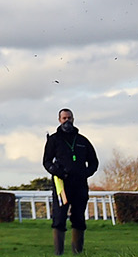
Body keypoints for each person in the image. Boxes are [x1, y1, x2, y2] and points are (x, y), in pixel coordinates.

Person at [43, 108, 100, 255]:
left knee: (79, 218)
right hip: (62, 185)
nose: (67, 121)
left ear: (73, 119)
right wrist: (57, 171)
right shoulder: (54, 140)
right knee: (59, 219)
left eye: (69, 118)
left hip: (79, 185)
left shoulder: (82, 141)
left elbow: (94, 162)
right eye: (64, 118)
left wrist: (85, 173)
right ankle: (58, 252)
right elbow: (46, 161)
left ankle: (77, 252)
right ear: (59, 120)